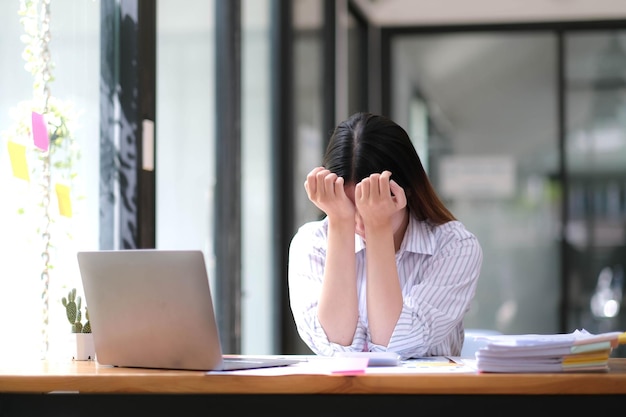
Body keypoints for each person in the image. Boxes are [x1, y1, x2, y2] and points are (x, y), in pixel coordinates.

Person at [288, 112, 483, 359]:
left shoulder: (454, 246)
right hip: (342, 395)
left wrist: (378, 227)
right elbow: (334, 347)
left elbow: (396, 344)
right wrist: (339, 223)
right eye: (348, 205)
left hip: (430, 396)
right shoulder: (312, 243)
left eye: (373, 200)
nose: (360, 218)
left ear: (407, 191)